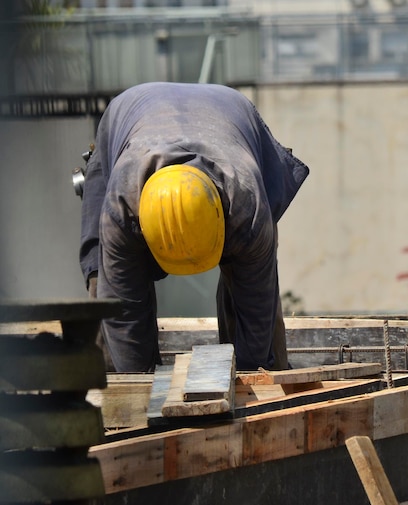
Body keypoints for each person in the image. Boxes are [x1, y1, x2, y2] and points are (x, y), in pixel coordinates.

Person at [79, 82, 309, 373]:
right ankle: (104, 410)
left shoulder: (248, 212)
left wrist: (253, 381)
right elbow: (124, 315)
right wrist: (137, 391)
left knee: (261, 328)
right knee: (104, 291)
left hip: (230, 118)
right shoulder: (122, 210)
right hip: (128, 118)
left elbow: (257, 310)